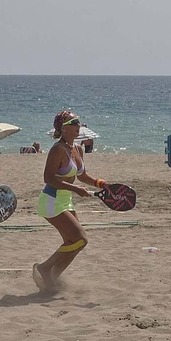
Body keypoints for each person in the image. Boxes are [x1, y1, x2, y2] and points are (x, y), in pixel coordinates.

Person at [32, 110, 109, 291]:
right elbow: (49, 178)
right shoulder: (57, 149)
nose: (78, 125)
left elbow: (82, 176)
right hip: (51, 200)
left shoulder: (78, 149)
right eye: (73, 122)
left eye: (79, 122)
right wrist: (76, 189)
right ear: (63, 128)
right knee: (80, 239)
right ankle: (44, 268)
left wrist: (101, 183)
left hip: (66, 200)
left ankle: (51, 278)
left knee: (74, 244)